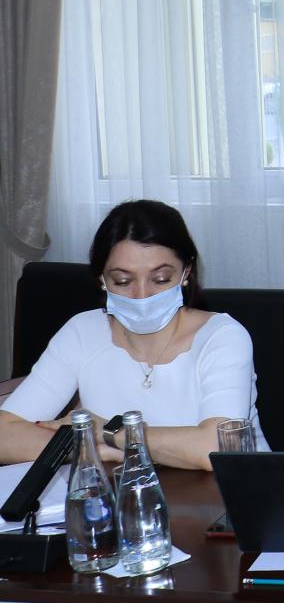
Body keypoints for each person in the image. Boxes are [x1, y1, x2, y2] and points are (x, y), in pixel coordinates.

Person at [0, 200, 261, 469]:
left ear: (187, 271)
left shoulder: (222, 337)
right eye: (123, 281)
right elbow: (5, 434)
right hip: (122, 490)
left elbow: (218, 448)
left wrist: (109, 432)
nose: (142, 295)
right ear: (102, 279)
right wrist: (92, 450)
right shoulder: (82, 332)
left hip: (227, 492)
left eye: (160, 279)